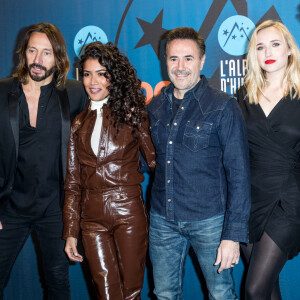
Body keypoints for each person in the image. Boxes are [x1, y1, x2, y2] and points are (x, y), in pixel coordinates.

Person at [147, 27, 251, 299]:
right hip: (162, 220)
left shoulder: (223, 106)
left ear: (202, 61)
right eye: (173, 59)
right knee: (164, 295)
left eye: (188, 58)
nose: (180, 67)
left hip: (210, 223)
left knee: (220, 294)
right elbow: (142, 160)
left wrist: (232, 235)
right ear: (165, 61)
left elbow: (239, 174)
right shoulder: (154, 107)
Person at [0, 23, 88, 299]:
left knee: (58, 285)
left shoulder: (75, 93)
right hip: (9, 207)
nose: (38, 60)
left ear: (59, 57)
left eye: (47, 53)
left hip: (55, 208)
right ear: (23, 54)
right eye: (32, 51)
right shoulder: (2, 92)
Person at [62, 41, 156, 299]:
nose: (93, 81)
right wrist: (71, 232)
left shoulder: (132, 113)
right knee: (106, 294)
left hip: (128, 212)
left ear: (114, 77)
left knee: (130, 293)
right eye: (88, 74)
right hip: (91, 220)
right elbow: (72, 182)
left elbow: (155, 162)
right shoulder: (77, 123)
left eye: (102, 74)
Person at [236, 20, 300, 300]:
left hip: (290, 198)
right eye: (260, 47)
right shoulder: (242, 96)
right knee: (267, 289)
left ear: (289, 49)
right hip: (250, 200)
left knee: (253, 290)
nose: (268, 52)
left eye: (275, 44)